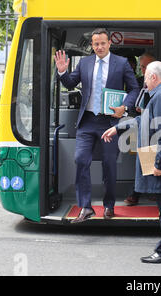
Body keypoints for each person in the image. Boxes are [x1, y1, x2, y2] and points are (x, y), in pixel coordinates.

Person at [102, 61, 161, 263]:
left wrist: (160, 166)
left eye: (145, 78)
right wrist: (119, 128)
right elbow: (143, 120)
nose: (144, 83)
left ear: (154, 77)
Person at [54, 28, 139, 222]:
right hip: (88, 122)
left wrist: (124, 107)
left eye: (102, 43)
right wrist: (62, 71)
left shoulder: (122, 63)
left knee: (109, 166)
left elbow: (134, 88)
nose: (99, 47)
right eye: (96, 44)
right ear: (92, 46)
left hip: (110, 122)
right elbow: (69, 83)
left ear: (109, 43)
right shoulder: (85, 63)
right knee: (81, 160)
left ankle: (109, 205)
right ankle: (85, 207)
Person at [124, 52, 156, 206]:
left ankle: (136, 193)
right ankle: (145, 190)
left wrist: (145, 111)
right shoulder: (137, 82)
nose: (143, 70)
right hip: (136, 124)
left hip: (154, 127)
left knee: (145, 159)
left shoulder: (159, 85)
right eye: (142, 67)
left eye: (146, 67)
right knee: (139, 160)